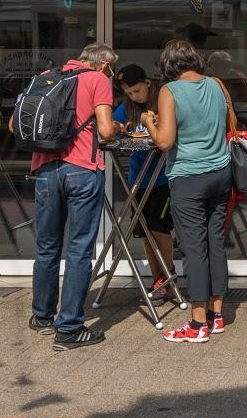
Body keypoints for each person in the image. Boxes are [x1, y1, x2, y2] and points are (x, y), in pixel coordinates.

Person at [24, 43, 119, 350]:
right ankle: (69, 329)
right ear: (103, 65)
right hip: (81, 169)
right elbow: (105, 131)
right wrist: (116, 126)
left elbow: (16, 124)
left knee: (47, 245)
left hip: (45, 170)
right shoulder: (97, 80)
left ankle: (41, 316)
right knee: (79, 249)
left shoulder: (45, 77)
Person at [141, 40, 232, 344]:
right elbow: (230, 123)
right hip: (221, 173)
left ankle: (197, 324)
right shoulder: (217, 84)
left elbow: (165, 142)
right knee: (215, 243)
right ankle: (217, 315)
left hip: (189, 177)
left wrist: (148, 122)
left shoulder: (170, 91)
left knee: (194, 248)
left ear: (168, 66)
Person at [112, 64, 175, 304]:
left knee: (160, 227)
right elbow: (113, 127)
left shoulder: (162, 101)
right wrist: (118, 128)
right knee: (145, 231)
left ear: (148, 83)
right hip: (138, 177)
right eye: (129, 93)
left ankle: (168, 274)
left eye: (137, 91)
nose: (134, 96)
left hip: (163, 176)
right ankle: (157, 275)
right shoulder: (127, 107)